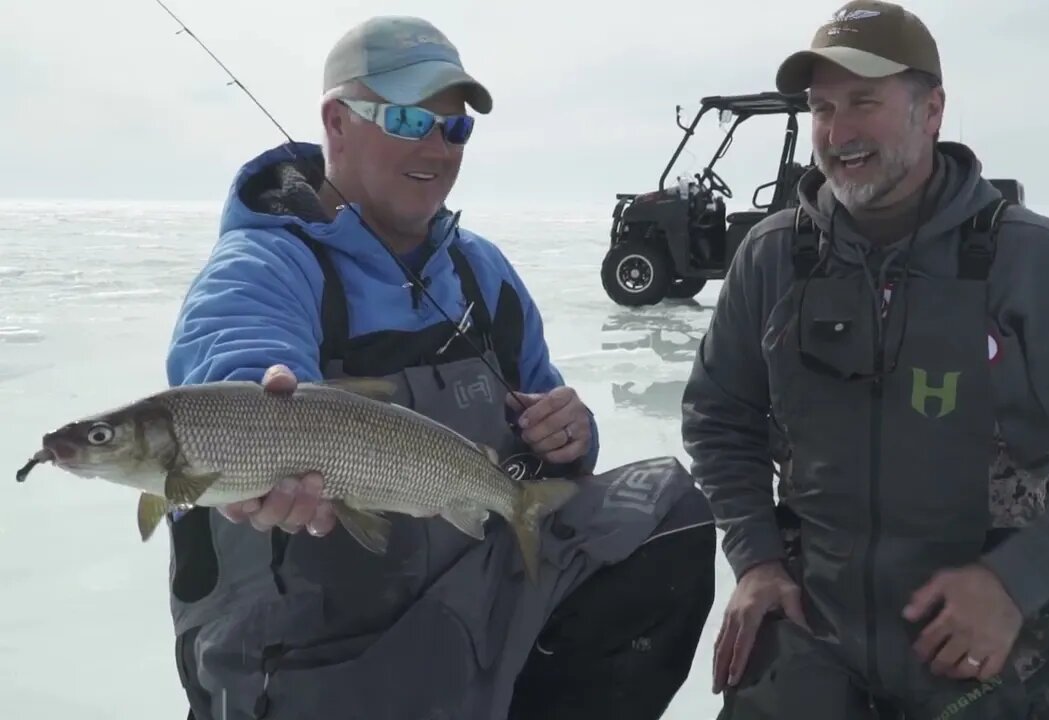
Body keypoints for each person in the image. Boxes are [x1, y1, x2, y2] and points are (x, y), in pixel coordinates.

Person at [163, 15, 715, 720]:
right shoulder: (261, 270)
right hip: (321, 656)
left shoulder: (481, 273)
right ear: (336, 121)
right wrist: (255, 445)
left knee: (665, 515)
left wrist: (569, 434)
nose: (436, 147)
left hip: (470, 610)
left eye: (454, 129)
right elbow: (237, 373)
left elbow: (544, 420)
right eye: (406, 119)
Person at [681, 1, 1049, 718]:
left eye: (865, 101)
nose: (838, 131)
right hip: (811, 629)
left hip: (974, 641)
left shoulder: (1030, 262)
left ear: (932, 111)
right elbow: (719, 416)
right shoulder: (773, 258)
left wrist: (1018, 578)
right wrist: (757, 560)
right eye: (822, 107)